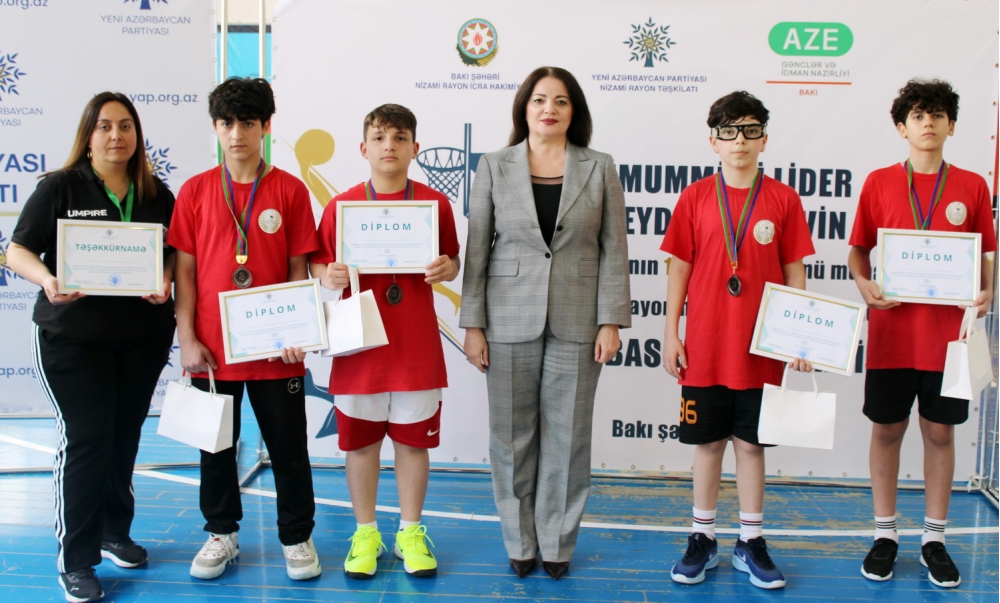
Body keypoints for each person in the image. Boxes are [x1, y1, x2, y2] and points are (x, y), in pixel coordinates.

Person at [460, 67, 630, 580]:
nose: (548, 109)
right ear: (524, 108)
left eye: (560, 101)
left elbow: (613, 248)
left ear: (574, 111)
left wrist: (611, 320)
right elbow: (478, 248)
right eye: (538, 100)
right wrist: (473, 324)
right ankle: (519, 540)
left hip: (579, 319)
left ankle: (556, 543)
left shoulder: (599, 167)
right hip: (506, 318)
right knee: (510, 439)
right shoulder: (494, 165)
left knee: (569, 439)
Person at [6, 92, 176, 603]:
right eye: (104, 126)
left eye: (125, 126)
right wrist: (48, 279)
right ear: (88, 135)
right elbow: (17, 250)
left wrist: (166, 278)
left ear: (137, 135)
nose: (116, 135)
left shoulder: (156, 193)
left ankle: (113, 532)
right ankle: (76, 560)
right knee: (87, 440)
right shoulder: (59, 187)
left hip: (141, 338)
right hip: (72, 339)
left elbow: (173, 253)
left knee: (123, 437)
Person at [660, 91, 815, 590]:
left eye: (750, 130)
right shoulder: (694, 197)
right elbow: (679, 268)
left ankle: (751, 540)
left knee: (750, 446)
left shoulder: (783, 199)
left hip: (762, 348)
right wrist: (671, 331)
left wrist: (800, 334)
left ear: (764, 139)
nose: (739, 141)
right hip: (705, 345)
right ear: (714, 141)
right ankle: (702, 537)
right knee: (707, 444)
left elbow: (794, 270)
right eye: (728, 132)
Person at [168, 77, 321, 581]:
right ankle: (221, 533)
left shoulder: (290, 190)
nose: (237, 134)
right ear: (215, 128)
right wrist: (187, 337)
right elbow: (185, 271)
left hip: (276, 349)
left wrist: (299, 331)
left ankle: (296, 537)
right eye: (227, 123)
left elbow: (299, 268)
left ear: (266, 127)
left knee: (289, 450)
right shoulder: (194, 191)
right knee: (214, 448)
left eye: (248, 123)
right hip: (213, 349)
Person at [847, 79, 996, 589]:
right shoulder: (879, 182)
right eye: (917, 115)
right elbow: (858, 250)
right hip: (892, 335)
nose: (927, 122)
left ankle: (935, 539)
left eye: (936, 115)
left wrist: (987, 291)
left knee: (939, 432)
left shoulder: (972, 186)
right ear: (901, 127)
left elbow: (986, 254)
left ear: (951, 125)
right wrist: (864, 283)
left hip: (949, 340)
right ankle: (884, 534)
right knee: (887, 430)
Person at [310, 104, 460, 580]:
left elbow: (453, 260)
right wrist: (328, 274)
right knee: (361, 446)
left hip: (415, 346)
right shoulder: (342, 206)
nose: (389, 146)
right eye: (379, 138)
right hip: (360, 349)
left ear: (415, 148)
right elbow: (318, 264)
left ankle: (410, 532)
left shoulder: (435, 205)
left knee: (413, 445)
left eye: (399, 138)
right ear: (363, 148)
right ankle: (366, 532)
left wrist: (447, 268)